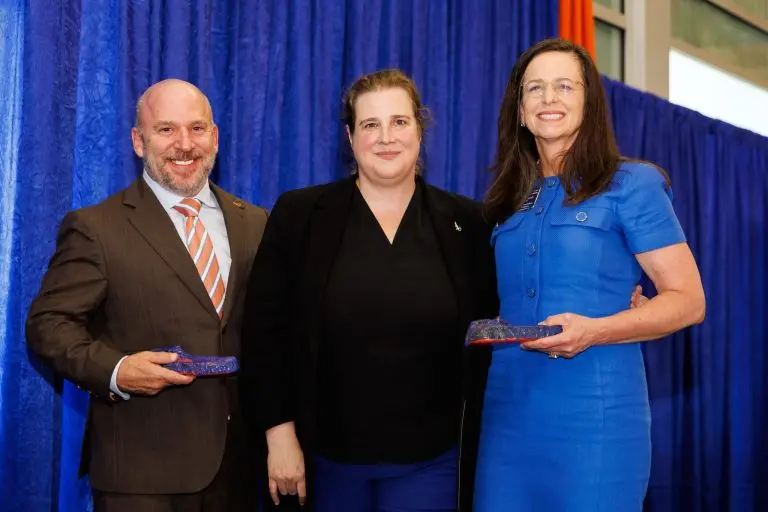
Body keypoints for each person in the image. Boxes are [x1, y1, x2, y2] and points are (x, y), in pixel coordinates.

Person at [239, 69, 499, 512]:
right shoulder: (299, 216)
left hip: (432, 463)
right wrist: (279, 435)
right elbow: (265, 334)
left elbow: (508, 308)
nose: (386, 138)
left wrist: (611, 302)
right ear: (350, 135)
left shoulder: (468, 223)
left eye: (399, 122)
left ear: (420, 129)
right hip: (324, 463)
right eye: (370, 125)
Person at [469, 38, 706, 511]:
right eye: (534, 89)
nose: (548, 98)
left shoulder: (632, 184)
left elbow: (689, 301)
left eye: (564, 86)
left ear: (588, 102)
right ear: (519, 112)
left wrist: (596, 330)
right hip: (508, 417)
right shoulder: (504, 200)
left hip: (597, 418)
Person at [26, 79, 269, 512]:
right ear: (139, 141)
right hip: (140, 474)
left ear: (214, 137)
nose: (184, 144)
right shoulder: (96, 228)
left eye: (197, 129)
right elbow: (48, 326)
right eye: (166, 130)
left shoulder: (255, 222)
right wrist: (117, 369)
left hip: (239, 468)